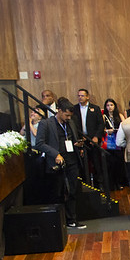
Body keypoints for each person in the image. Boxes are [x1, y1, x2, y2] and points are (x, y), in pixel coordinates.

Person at [35, 98, 85, 228]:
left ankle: (72, 219)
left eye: (70, 115)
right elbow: (39, 143)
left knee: (72, 191)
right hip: (56, 163)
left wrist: (78, 145)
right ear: (59, 110)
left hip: (72, 160)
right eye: (66, 115)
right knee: (58, 193)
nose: (68, 118)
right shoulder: (46, 124)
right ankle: (58, 222)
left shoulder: (71, 123)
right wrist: (55, 154)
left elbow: (72, 139)